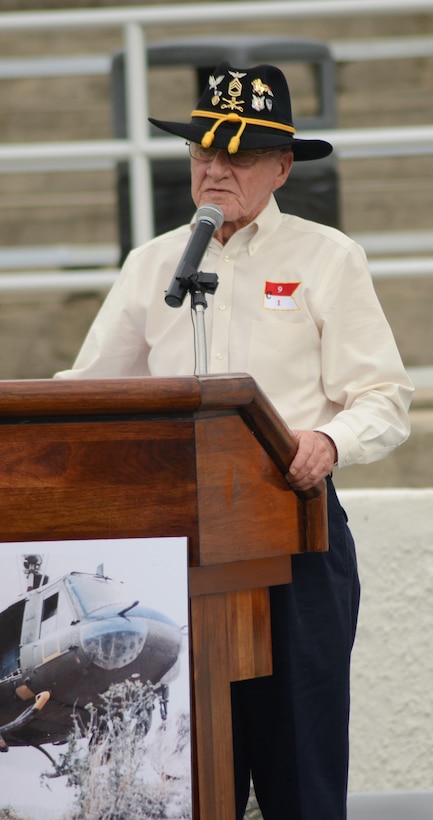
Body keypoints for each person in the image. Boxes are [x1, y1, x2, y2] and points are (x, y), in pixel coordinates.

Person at [55, 61, 414, 820]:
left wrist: (326, 439)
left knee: (298, 757)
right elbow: (91, 391)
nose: (214, 170)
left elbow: (384, 398)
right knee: (187, 761)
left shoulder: (327, 257)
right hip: (171, 540)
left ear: (281, 166)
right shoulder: (153, 264)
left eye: (237, 157)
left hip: (291, 527)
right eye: (201, 155)